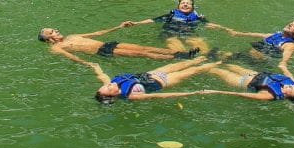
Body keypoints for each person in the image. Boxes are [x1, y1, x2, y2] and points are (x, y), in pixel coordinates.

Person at [38, 25, 198, 66]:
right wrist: (87, 63)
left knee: (143, 48)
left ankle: (182, 54)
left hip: (107, 43)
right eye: (53, 31)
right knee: (143, 54)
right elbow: (71, 57)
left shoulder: (72, 36)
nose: (57, 30)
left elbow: (98, 33)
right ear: (48, 38)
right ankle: (176, 59)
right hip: (102, 52)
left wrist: (119, 27)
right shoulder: (56, 48)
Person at [91, 56, 219, 103]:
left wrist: (95, 67)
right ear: (112, 96)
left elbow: (103, 76)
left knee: (183, 64)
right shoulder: (131, 95)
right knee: (194, 70)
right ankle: (220, 62)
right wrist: (192, 93)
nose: (110, 84)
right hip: (164, 81)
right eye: (109, 88)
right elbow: (160, 96)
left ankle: (207, 57)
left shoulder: (113, 84)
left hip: (151, 74)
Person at [206, 20, 294, 75]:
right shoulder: (275, 35)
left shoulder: (290, 45)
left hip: (258, 63)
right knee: (222, 57)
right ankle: (213, 63)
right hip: (247, 56)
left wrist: (284, 67)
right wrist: (222, 28)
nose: (290, 25)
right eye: (291, 23)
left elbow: (284, 61)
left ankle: (211, 66)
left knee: (224, 62)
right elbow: (241, 34)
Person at [122, 0, 210, 53]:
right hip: (170, 34)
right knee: (180, 51)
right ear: (178, 7)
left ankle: (206, 60)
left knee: (202, 46)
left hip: (188, 34)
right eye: (183, 3)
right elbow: (153, 20)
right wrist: (136, 23)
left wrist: (223, 28)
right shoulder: (170, 15)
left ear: (193, 7)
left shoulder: (198, 17)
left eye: (188, 3)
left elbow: (210, 25)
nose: (185, 4)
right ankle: (188, 59)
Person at [200, 62, 294, 104]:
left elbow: (242, 95)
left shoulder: (269, 95)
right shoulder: (293, 84)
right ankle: (206, 60)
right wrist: (283, 66)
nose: (291, 85)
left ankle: (199, 67)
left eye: (291, 88)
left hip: (241, 81)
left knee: (215, 70)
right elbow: (289, 76)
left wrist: (216, 91)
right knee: (226, 63)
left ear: (286, 95)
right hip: (254, 74)